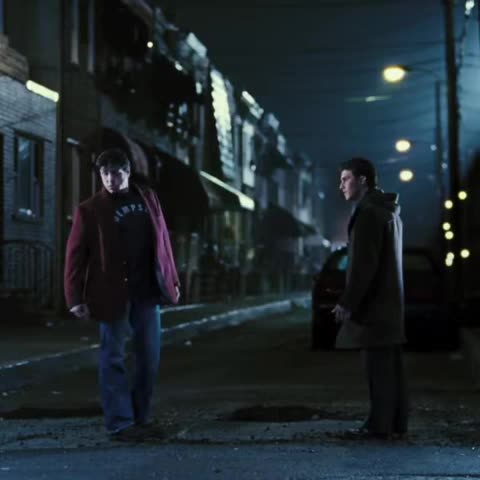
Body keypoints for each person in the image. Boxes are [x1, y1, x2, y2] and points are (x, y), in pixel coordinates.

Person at [64, 148, 180, 441]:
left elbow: (163, 241)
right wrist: (74, 298)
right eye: (105, 174)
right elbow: (75, 256)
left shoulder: (148, 199)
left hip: (147, 291)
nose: (110, 179)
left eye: (115, 173)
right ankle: (120, 423)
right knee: (112, 357)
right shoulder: (90, 209)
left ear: (127, 172)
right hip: (111, 293)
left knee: (149, 358)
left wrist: (173, 281)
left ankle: (140, 418)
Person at [332, 157, 408, 440]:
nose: (341, 186)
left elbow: (364, 264)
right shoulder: (388, 211)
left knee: (378, 367)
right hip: (388, 301)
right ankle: (394, 423)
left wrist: (347, 301)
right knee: (390, 366)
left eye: (346, 179)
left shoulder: (368, 214)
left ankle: (380, 426)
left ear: (362, 180)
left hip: (375, 304)